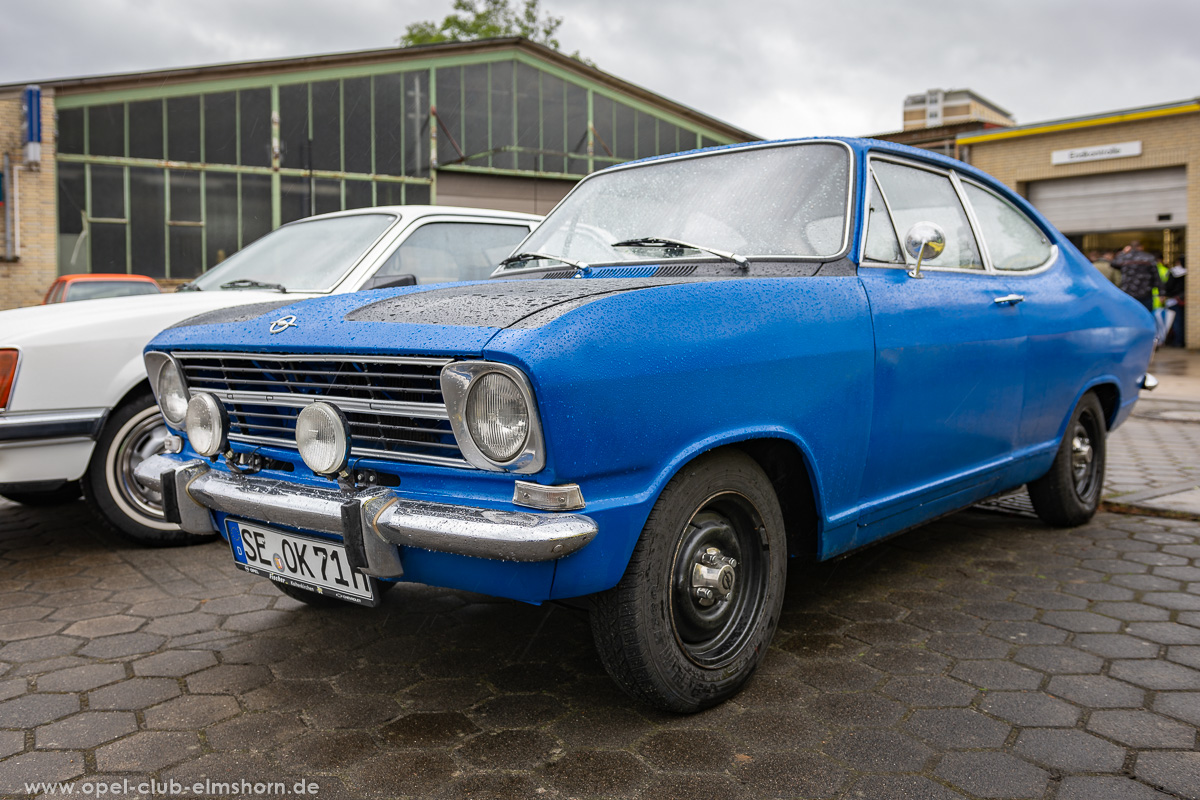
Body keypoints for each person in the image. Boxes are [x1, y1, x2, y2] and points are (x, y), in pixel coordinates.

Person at [1112, 241, 1162, 311]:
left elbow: (1113, 263)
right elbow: (1156, 276)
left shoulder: (1125, 257)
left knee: (1129, 315)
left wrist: (1123, 252)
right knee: (1146, 315)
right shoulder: (1149, 257)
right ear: (1141, 247)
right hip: (1145, 292)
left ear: (1130, 248)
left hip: (1128, 293)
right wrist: (1161, 292)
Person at [1164, 257, 1187, 347]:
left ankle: (1177, 341)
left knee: (1175, 321)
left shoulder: (1173, 272)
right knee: (1182, 321)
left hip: (1173, 299)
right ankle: (1182, 340)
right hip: (1184, 299)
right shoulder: (1189, 272)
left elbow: (1168, 286)